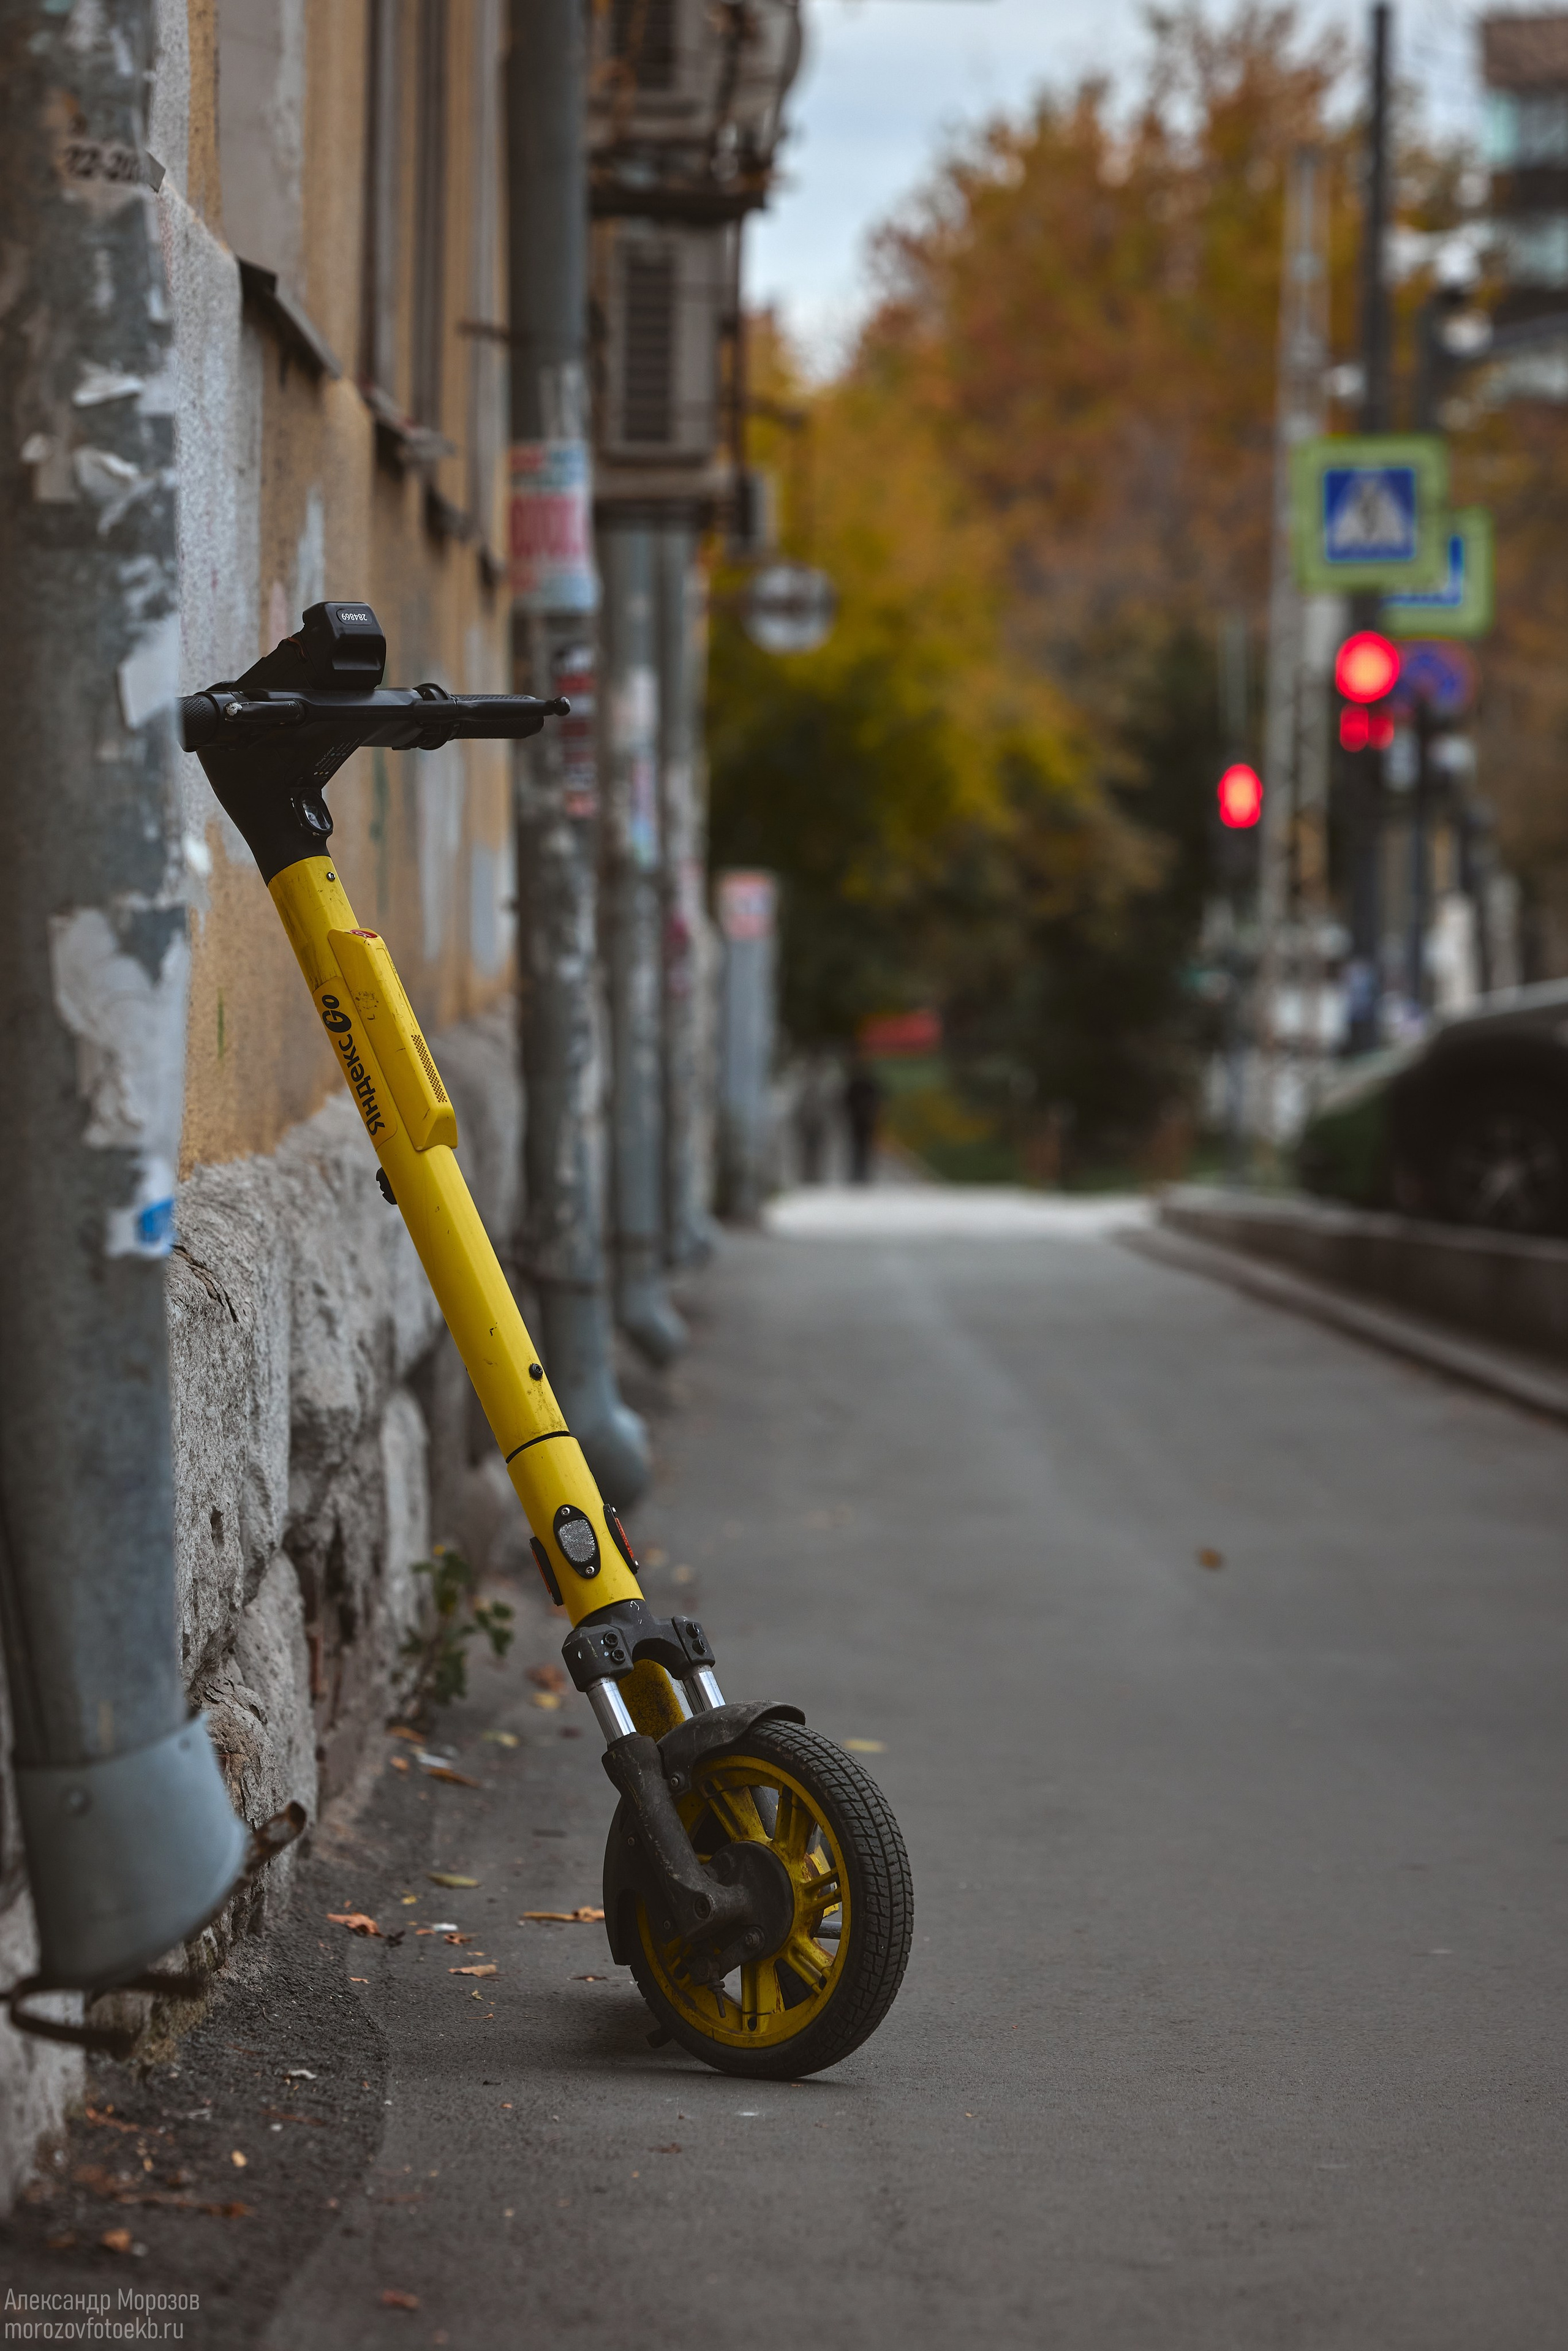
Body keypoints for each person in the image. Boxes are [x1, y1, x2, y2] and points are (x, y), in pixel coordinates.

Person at [842, 1056, 883, 1185]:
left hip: (866, 1121)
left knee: (864, 1148)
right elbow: (846, 1101)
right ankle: (857, 1174)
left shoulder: (870, 1085)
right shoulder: (856, 1084)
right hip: (856, 1121)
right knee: (857, 1148)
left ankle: (863, 1174)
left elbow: (878, 1100)